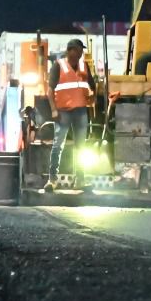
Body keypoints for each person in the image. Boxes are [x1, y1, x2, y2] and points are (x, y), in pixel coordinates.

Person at [45, 38, 96, 190]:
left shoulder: (84, 66)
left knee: (81, 147)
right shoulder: (58, 65)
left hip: (80, 111)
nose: (81, 54)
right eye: (78, 50)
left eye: (82, 51)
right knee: (58, 145)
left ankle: (80, 180)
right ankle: (52, 180)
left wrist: (92, 97)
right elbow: (50, 91)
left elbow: (92, 86)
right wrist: (53, 109)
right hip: (63, 112)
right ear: (70, 51)